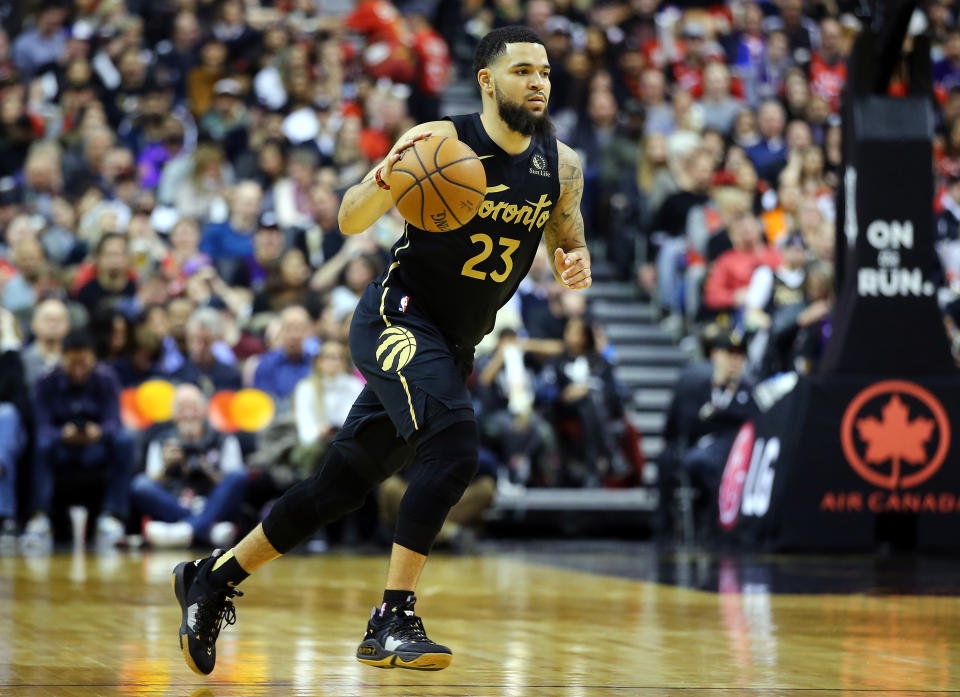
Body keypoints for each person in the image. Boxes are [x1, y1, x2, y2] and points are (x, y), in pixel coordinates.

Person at [172, 25, 592, 677]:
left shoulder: (561, 164)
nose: (538, 81)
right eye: (521, 71)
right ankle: (392, 617)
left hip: (454, 342)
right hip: (397, 317)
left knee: (335, 489)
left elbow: (567, 236)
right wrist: (392, 177)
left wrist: (575, 262)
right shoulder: (438, 144)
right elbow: (348, 218)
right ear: (486, 81)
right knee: (454, 444)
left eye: (543, 71)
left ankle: (211, 577)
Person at [25, 329, 133, 547]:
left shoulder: (106, 378)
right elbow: (41, 426)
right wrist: (62, 434)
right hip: (61, 448)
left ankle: (111, 516)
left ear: (93, 357)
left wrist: (98, 431)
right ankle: (40, 517)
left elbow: (114, 421)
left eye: (83, 362)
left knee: (125, 440)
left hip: (96, 448)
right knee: (41, 444)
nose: (78, 369)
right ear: (62, 357)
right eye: (72, 362)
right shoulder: (46, 381)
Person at [135, 384, 247, 549]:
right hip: (176, 503)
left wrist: (210, 471)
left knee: (239, 476)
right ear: (173, 414)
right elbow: (151, 481)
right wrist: (166, 467)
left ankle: (183, 531)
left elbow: (232, 484)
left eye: (193, 407)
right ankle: (207, 530)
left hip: (211, 502)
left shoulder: (224, 439)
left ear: (204, 410)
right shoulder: (161, 441)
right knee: (140, 484)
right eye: (181, 408)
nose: (188, 414)